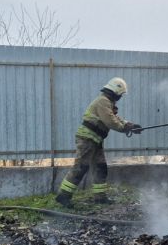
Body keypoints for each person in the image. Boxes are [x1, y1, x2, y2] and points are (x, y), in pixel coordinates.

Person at [55, 77, 143, 208]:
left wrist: (130, 125)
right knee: (81, 167)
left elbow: (115, 118)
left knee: (100, 167)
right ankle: (63, 196)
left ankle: (100, 198)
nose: (120, 97)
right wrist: (125, 128)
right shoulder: (103, 101)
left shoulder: (107, 103)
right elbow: (110, 121)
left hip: (95, 139)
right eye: (120, 94)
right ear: (115, 92)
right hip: (87, 138)